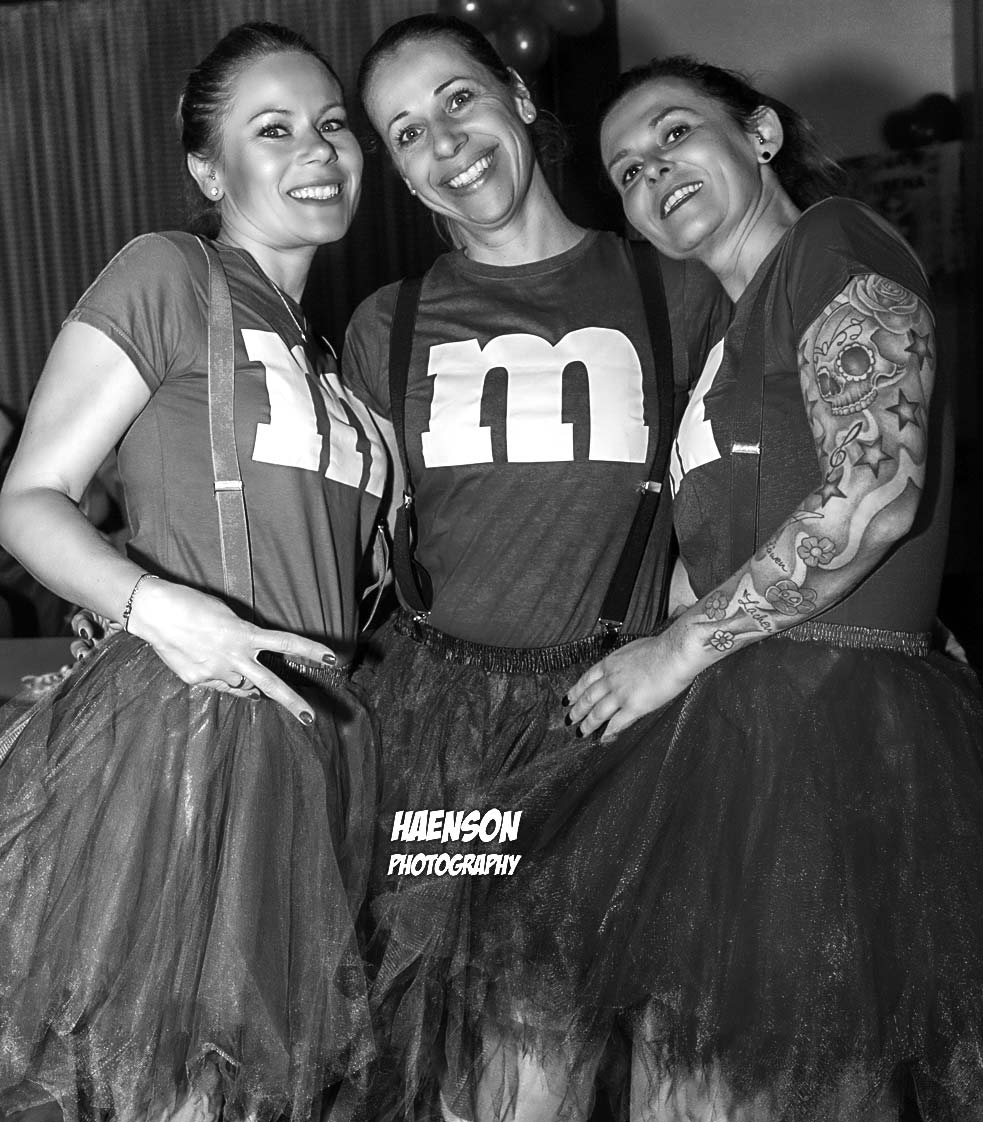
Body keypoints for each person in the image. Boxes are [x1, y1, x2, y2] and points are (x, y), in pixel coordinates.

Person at [519, 55, 983, 1122]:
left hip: (819, 735)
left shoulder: (830, 241)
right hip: (742, 731)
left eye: (674, 134)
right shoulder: (725, 338)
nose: (650, 171)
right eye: (626, 171)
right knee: (692, 1085)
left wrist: (675, 652)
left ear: (760, 135)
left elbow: (875, 493)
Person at [342, 15, 726, 1122]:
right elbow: (342, 535)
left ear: (515, 93)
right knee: (500, 1074)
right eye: (405, 132)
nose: (443, 142)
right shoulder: (385, 323)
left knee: (669, 1057)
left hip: (624, 719)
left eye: (457, 99)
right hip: (441, 746)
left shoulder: (676, 286)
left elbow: (746, 491)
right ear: (399, 171)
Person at [0, 22, 383, 1122]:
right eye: (274, 130)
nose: (317, 148)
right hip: (190, 734)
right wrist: (159, 608)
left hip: (318, 742)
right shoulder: (170, 272)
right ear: (210, 173)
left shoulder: (329, 351)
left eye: (330, 123)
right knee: (177, 1088)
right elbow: (28, 500)